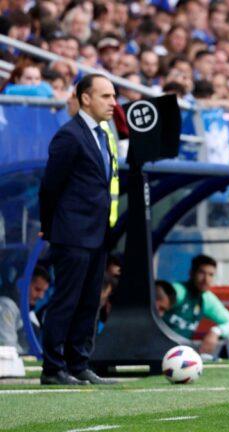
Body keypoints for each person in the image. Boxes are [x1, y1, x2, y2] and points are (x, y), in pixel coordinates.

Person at [38, 73, 120, 386]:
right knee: (67, 300)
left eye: (113, 96)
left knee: (89, 301)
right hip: (71, 233)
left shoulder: (105, 135)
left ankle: (79, 363)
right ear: (85, 98)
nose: (113, 103)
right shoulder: (69, 136)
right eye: (106, 96)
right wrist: (49, 227)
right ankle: (53, 367)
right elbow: (50, 187)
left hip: (98, 234)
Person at [161, 255, 229, 356]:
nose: (206, 279)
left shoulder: (207, 299)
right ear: (191, 273)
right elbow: (161, 297)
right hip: (157, 349)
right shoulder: (179, 291)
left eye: (211, 275)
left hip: (180, 354)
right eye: (201, 273)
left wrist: (215, 331)